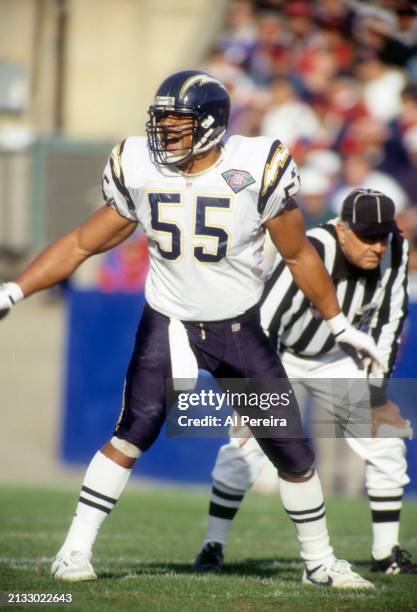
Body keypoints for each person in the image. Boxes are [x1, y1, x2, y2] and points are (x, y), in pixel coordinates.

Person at [0, 70, 381, 588]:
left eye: (177, 124)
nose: (164, 135)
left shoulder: (255, 167)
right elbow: (80, 244)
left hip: (239, 329)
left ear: (210, 125)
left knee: (291, 449)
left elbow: (296, 253)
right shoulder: (140, 166)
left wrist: (337, 324)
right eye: (161, 123)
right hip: (171, 320)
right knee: (135, 428)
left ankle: (319, 562)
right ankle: (73, 550)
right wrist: (14, 290)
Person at [195, 188, 417, 576]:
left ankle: (386, 553)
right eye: (367, 237)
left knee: (386, 440)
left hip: (336, 359)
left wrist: (377, 389)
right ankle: (213, 545)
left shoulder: (394, 249)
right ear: (342, 228)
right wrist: (259, 394)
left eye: (382, 236)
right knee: (244, 448)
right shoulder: (313, 248)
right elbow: (265, 319)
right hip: (278, 355)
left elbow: (390, 317)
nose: (376, 247)